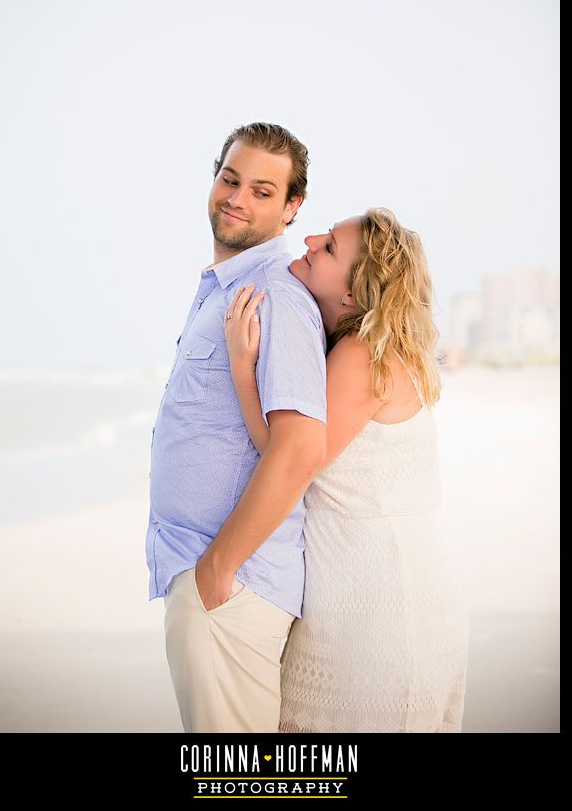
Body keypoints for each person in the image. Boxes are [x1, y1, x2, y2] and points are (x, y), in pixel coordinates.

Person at [224, 208, 469, 733]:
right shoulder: (378, 352)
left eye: (330, 246)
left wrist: (243, 370)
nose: (309, 240)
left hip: (376, 612)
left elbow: (290, 457)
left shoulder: (362, 356)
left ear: (354, 295)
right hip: (400, 600)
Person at [145, 122, 328, 734]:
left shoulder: (273, 293)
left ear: (291, 208)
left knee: (235, 779)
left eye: (262, 190)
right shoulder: (226, 289)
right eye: (230, 179)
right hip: (209, 579)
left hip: (230, 586)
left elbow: (300, 446)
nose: (237, 198)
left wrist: (218, 568)